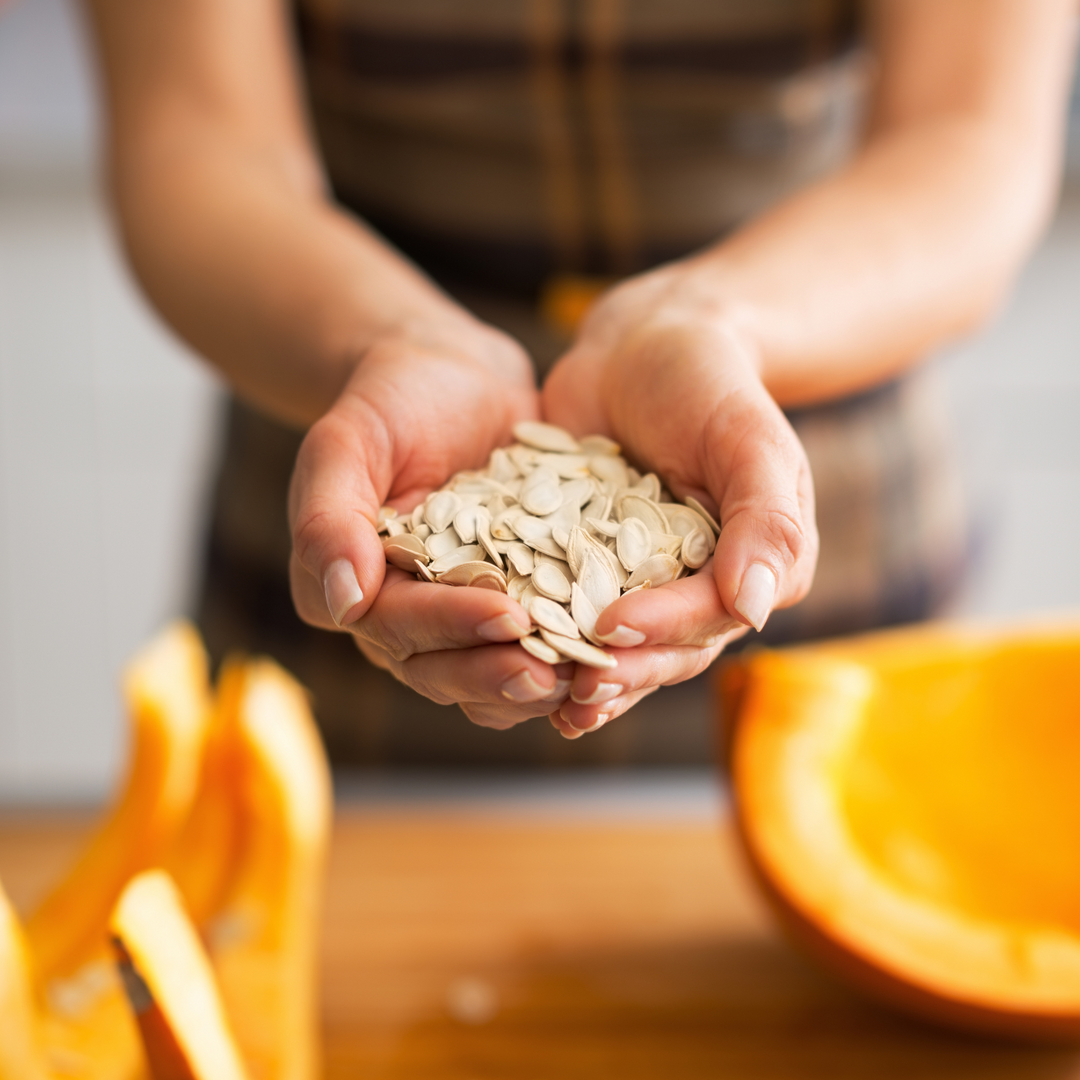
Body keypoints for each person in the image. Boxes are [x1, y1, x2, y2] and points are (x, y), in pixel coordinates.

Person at [84, 0, 1075, 757]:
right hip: (359, 474)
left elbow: (968, 138)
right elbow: (196, 139)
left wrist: (713, 324)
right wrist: (389, 339)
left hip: (814, 477)